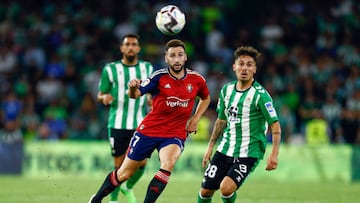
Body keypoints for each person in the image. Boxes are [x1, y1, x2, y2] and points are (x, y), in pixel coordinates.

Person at [89, 39, 211, 203]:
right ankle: (96, 199)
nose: (176, 59)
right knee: (124, 173)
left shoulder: (197, 80)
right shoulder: (158, 77)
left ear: (185, 57)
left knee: (168, 164)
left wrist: (195, 118)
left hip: (174, 133)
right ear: (166, 58)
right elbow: (135, 95)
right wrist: (132, 87)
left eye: (180, 55)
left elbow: (206, 98)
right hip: (149, 131)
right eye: (172, 55)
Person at [197, 46, 281, 203]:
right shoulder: (226, 90)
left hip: (249, 152)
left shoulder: (260, 95)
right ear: (234, 66)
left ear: (255, 69)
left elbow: (275, 125)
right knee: (205, 191)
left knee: (226, 188)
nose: (244, 68)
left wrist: (274, 154)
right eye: (241, 63)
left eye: (249, 64)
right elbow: (221, 120)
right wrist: (210, 147)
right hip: (225, 149)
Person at [97, 33, 153, 203]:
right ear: (121, 48)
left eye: (134, 44)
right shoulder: (110, 69)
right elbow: (101, 94)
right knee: (119, 166)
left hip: (140, 124)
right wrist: (103, 98)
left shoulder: (147, 68)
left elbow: (151, 91)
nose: (130, 47)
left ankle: (127, 187)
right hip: (118, 123)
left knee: (142, 163)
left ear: (138, 48)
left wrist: (151, 100)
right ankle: (113, 200)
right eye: (127, 44)